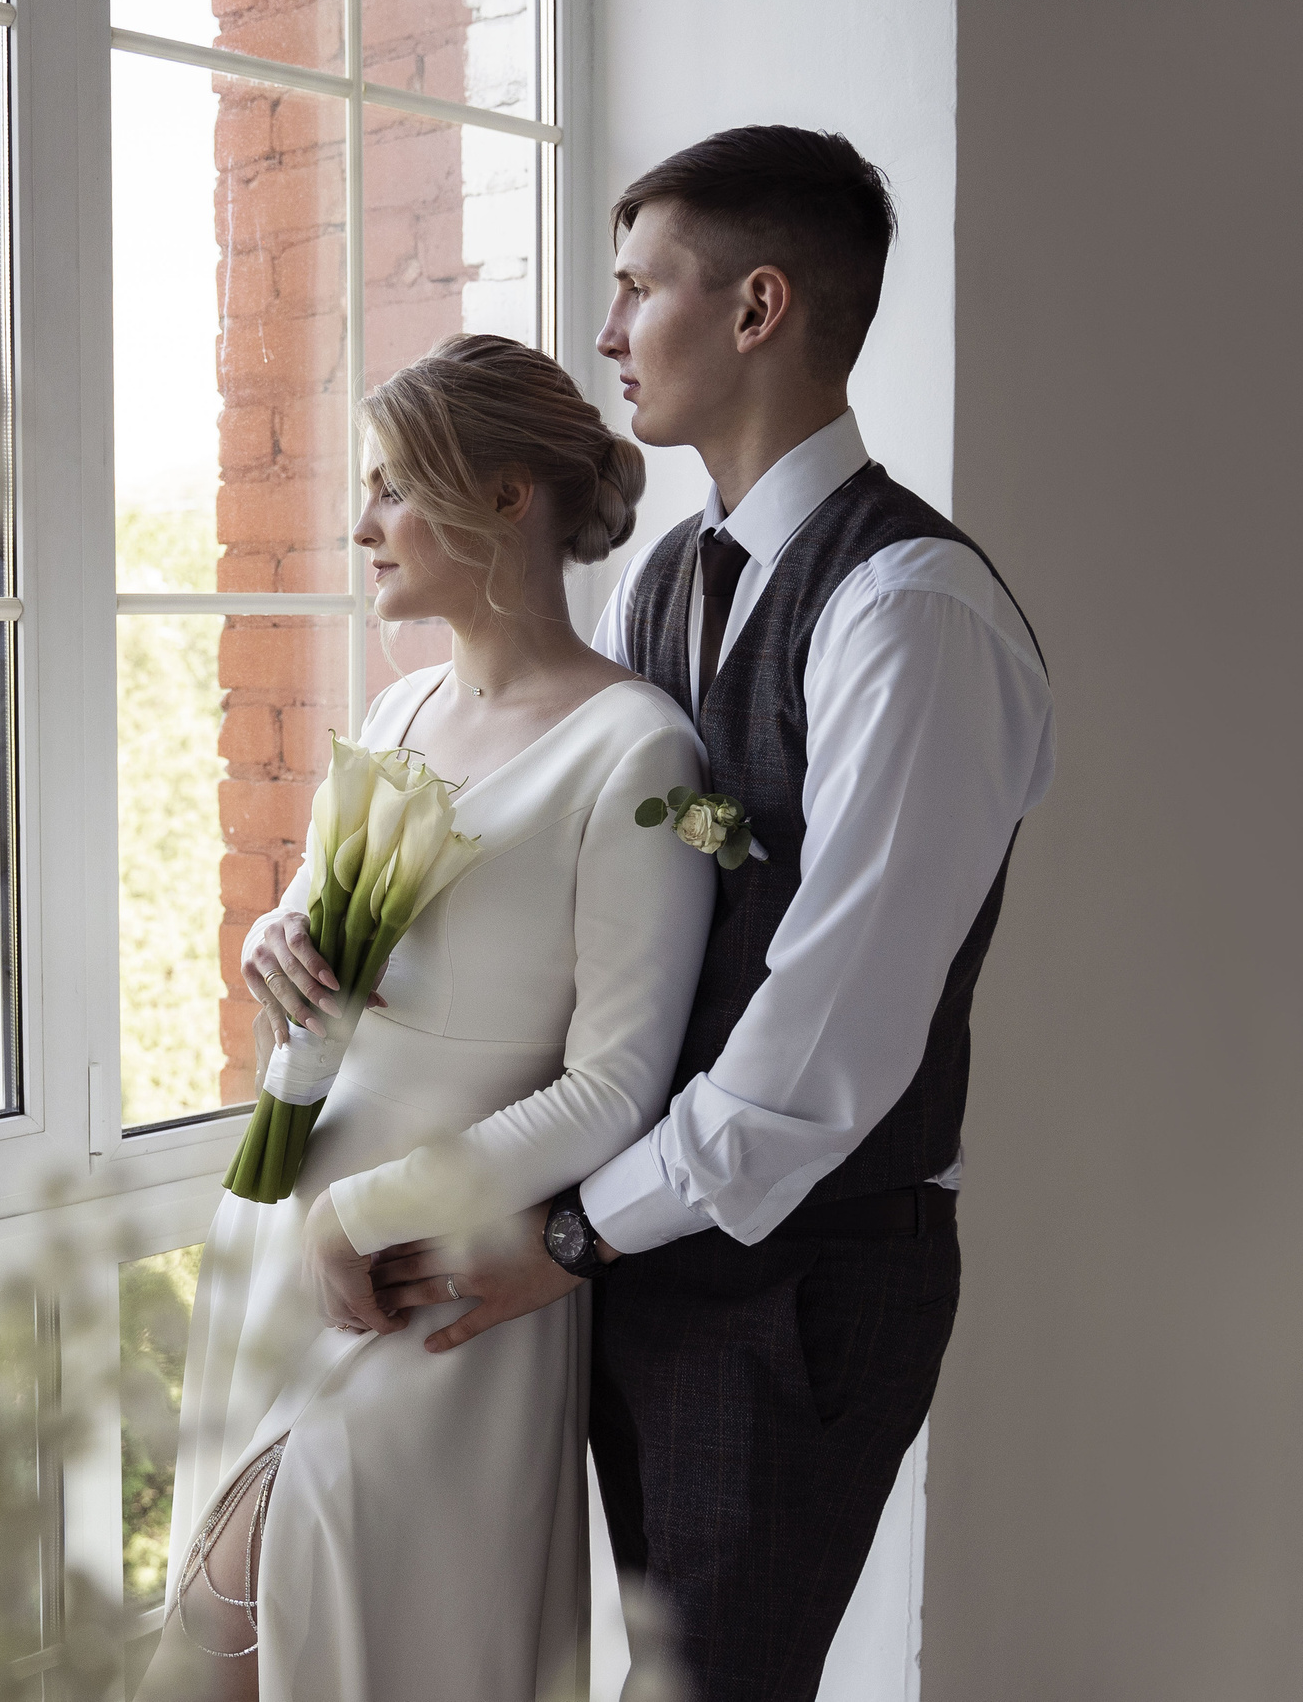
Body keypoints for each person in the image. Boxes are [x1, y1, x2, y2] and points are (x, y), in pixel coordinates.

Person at [338, 128, 1056, 1699]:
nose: (606, 333)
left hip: (804, 1274)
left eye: (638, 287)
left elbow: (826, 1045)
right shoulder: (668, 578)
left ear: (756, 307)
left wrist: (571, 1234)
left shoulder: (910, 613)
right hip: (640, 1252)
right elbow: (609, 899)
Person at [137, 334, 716, 1702]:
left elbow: (616, 1087)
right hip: (286, 1237)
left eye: (392, 488)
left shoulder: (637, 750)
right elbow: (321, 952)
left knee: (306, 1645)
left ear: (506, 497)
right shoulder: (399, 707)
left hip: (430, 1277)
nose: (362, 526)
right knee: (222, 1654)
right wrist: (276, 945)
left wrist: (366, 1214)